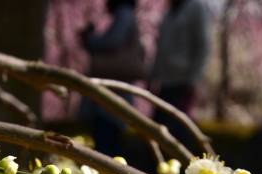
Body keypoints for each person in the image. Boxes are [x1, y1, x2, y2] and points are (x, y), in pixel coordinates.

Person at [79, 0, 144, 155]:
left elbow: (112, 42)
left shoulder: (124, 14)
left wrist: (90, 39)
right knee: (108, 137)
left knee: (107, 138)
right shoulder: (126, 15)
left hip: (113, 91)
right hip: (115, 90)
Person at [149, 0, 211, 117]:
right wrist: (153, 76)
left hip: (183, 82)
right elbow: (161, 48)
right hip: (165, 82)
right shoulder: (169, 12)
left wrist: (194, 79)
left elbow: (202, 46)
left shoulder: (195, 7)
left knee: (178, 125)